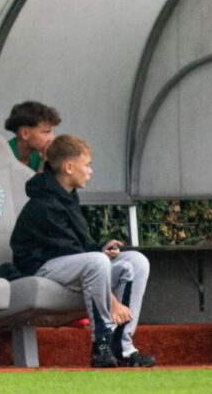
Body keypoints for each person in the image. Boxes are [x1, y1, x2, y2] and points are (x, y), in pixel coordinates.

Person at [9, 134, 155, 368]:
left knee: (137, 261)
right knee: (97, 262)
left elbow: (79, 244)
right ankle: (101, 346)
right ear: (69, 167)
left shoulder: (68, 196)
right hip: (42, 269)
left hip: (71, 264)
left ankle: (122, 347)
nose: (90, 171)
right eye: (87, 165)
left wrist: (101, 248)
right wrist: (113, 302)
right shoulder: (45, 203)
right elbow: (70, 251)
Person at [3, 100, 60, 172]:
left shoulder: (40, 155)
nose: (52, 137)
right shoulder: (3, 155)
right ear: (25, 134)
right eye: (46, 132)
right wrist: (45, 164)